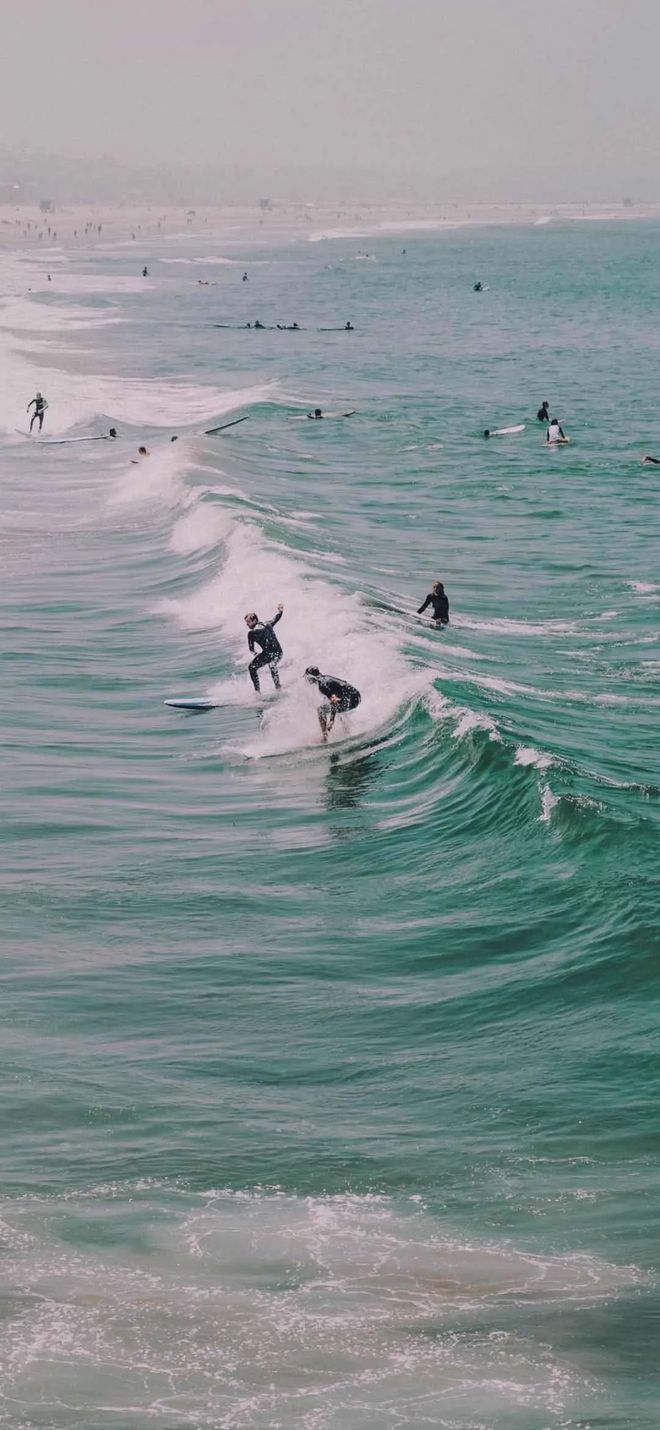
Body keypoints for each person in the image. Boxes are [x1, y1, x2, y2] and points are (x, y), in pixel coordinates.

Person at [305, 666, 361, 741]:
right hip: (356, 696)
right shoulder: (326, 678)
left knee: (321, 710)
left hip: (352, 700)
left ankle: (325, 737)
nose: (307, 680)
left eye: (307, 678)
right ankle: (347, 729)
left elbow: (334, 701)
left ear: (311, 677)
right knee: (334, 707)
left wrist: (331, 720)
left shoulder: (322, 685)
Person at [245, 605, 284, 692]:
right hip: (266, 654)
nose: (247, 624)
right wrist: (280, 611)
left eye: (248, 622)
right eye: (246, 622)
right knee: (251, 668)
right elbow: (251, 649)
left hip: (277, 652)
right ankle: (257, 691)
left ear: (255, 620)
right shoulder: (251, 634)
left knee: (272, 665)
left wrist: (280, 611)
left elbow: (276, 618)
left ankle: (278, 687)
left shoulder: (267, 625)